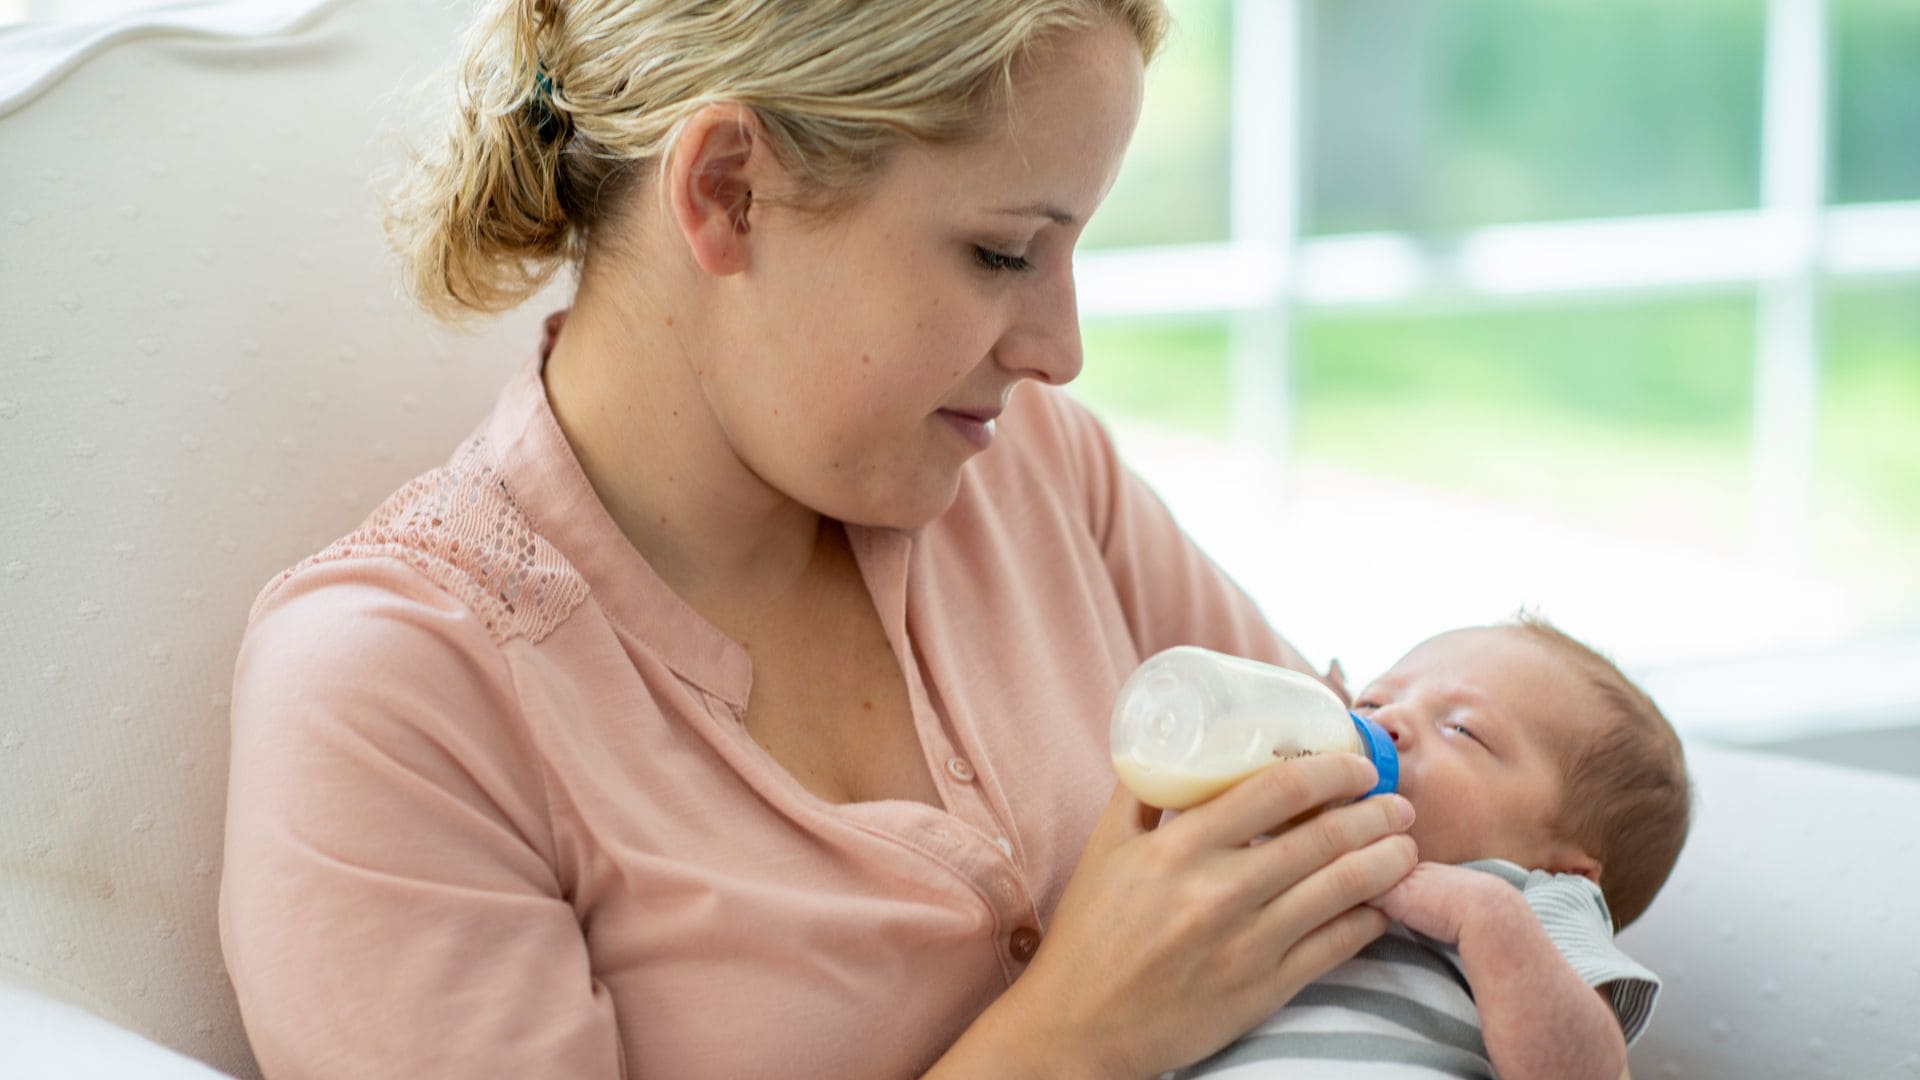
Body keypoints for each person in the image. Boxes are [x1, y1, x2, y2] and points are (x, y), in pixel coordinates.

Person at [217, 2, 1420, 1077]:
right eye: (1004, 252)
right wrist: (1073, 1039)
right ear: (729, 190)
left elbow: (1384, 805)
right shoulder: (399, 702)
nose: (1060, 349)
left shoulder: (1037, 472)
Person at [1179, 617, 1691, 1079]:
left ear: (1566, 868)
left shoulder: (1537, 900)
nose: (1389, 721)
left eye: (1461, 729)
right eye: (1371, 702)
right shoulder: (1285, 836)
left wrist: (1489, 918)